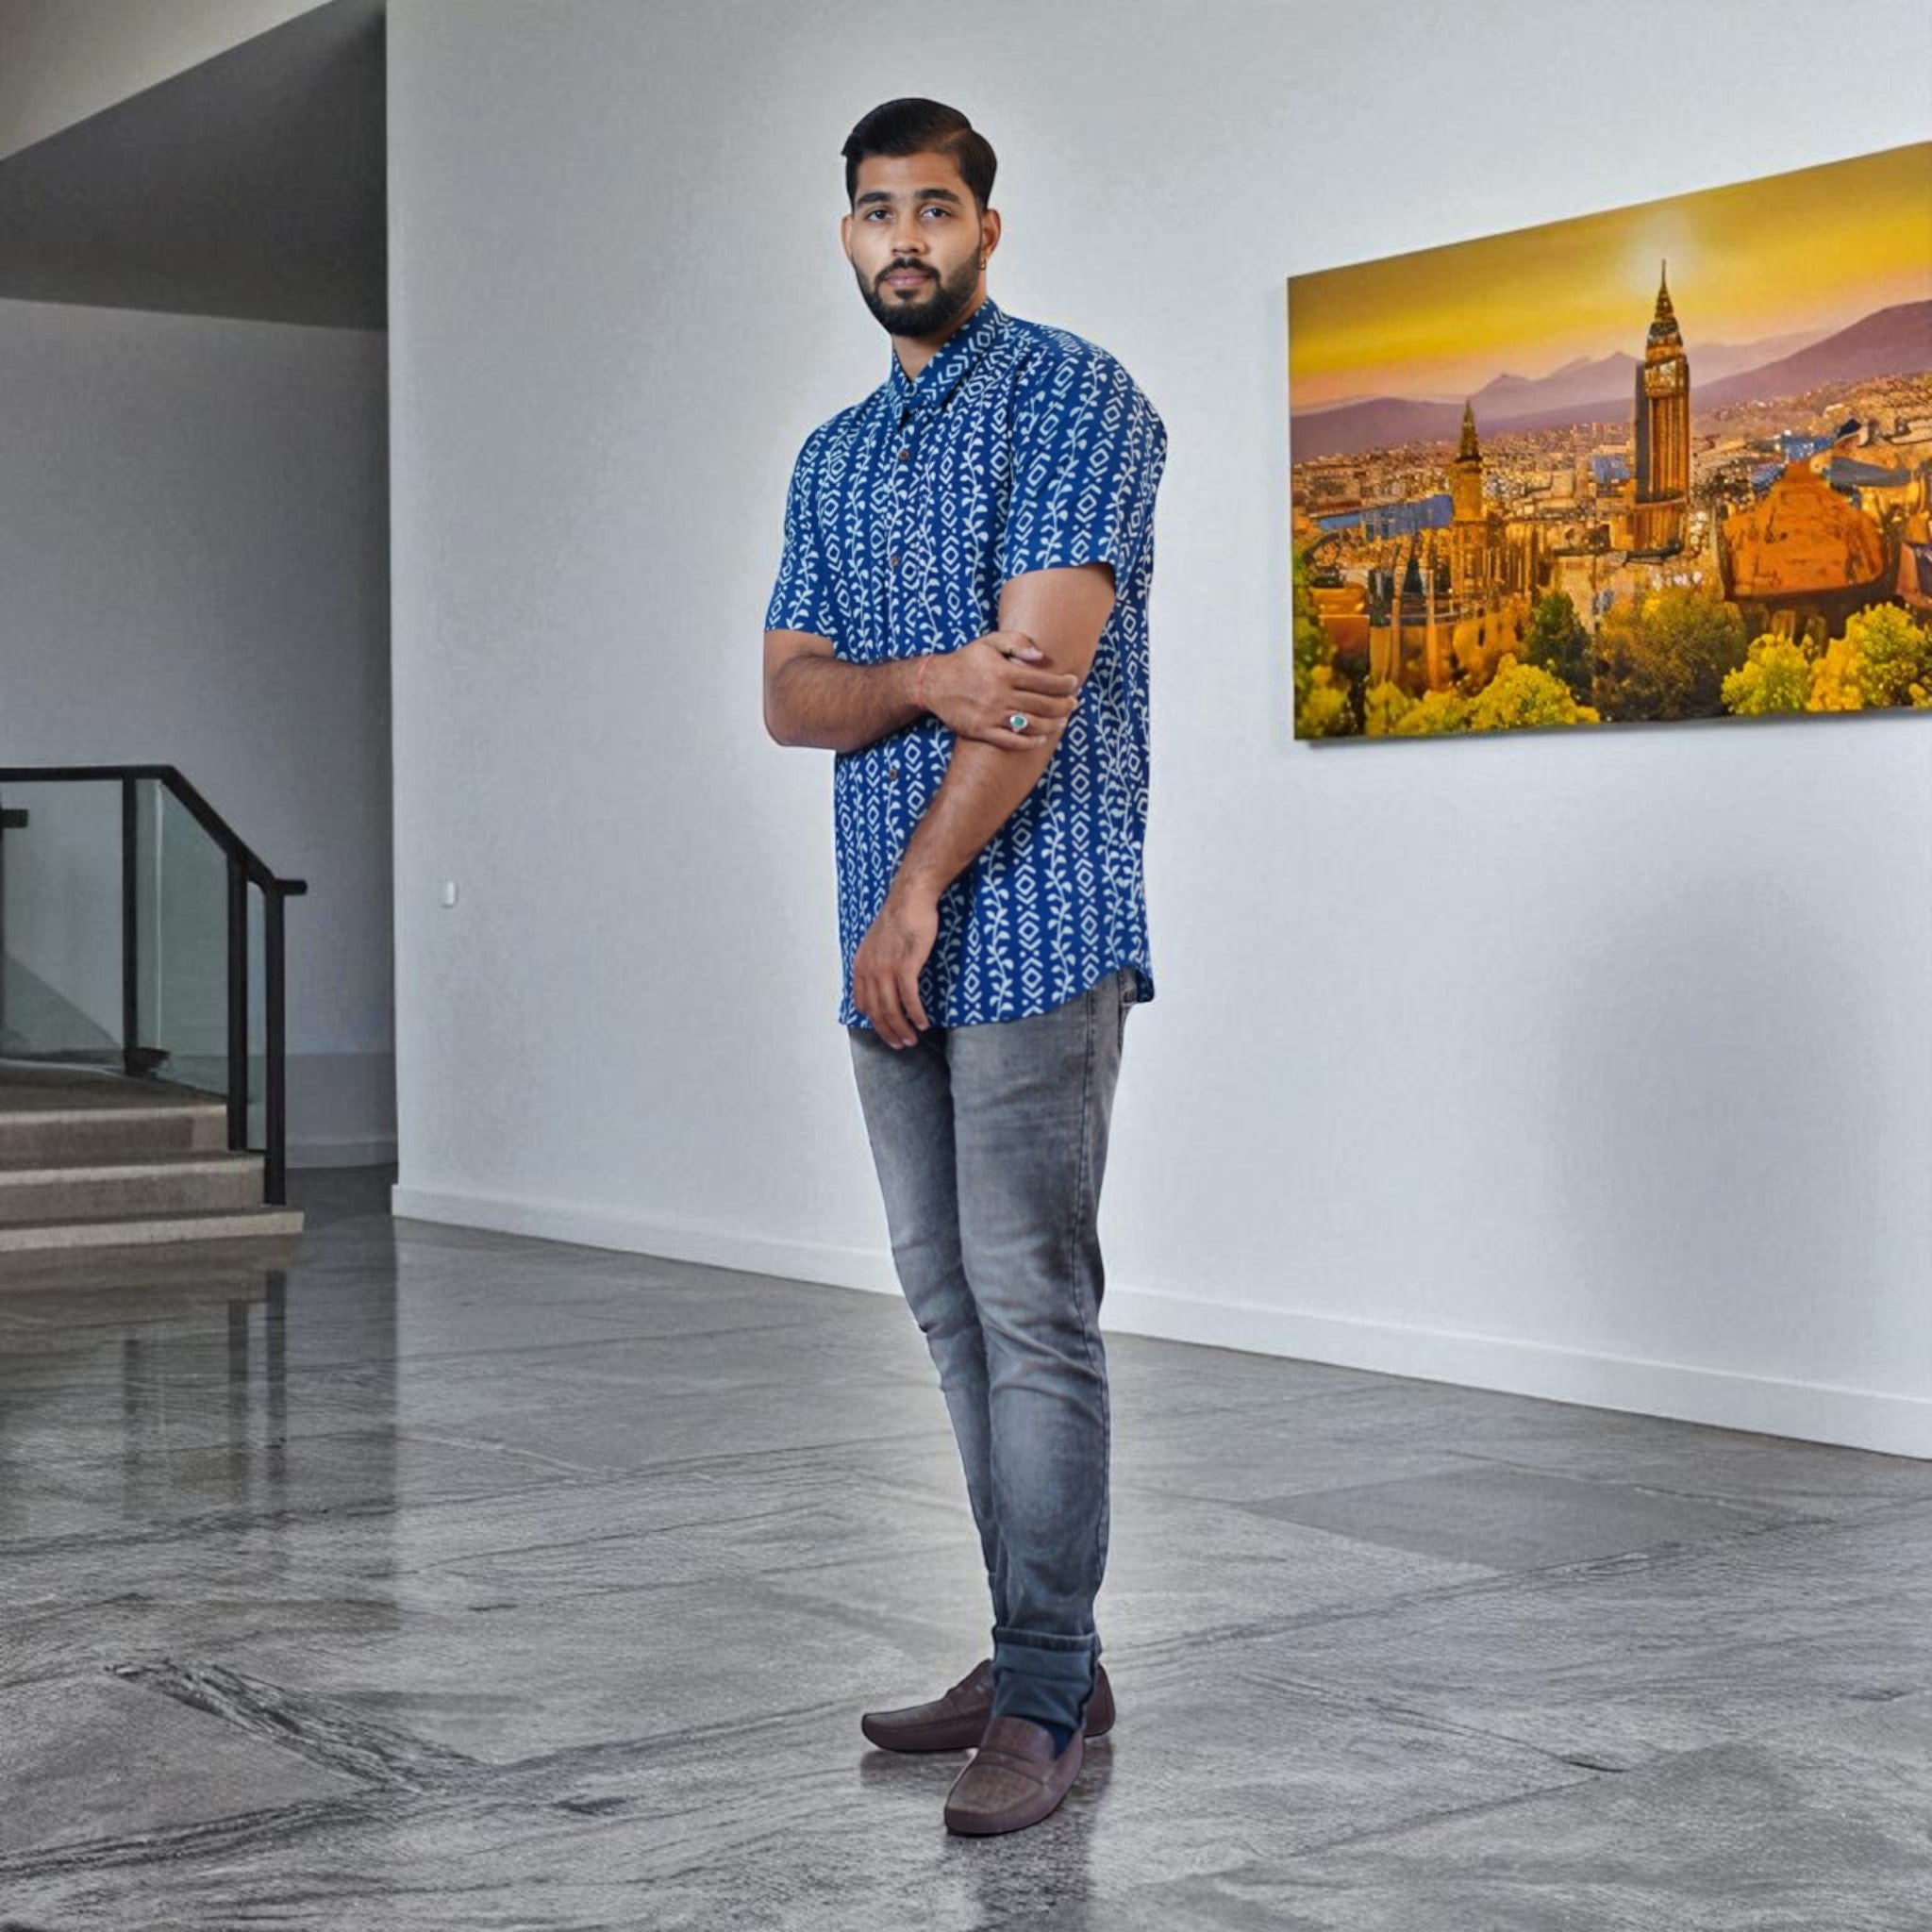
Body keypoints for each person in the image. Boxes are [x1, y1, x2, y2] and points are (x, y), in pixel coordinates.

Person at [761, 95, 1167, 1838]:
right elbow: (790, 697)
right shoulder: (832, 457)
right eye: (875, 211)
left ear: (988, 226)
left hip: (1032, 917)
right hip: (888, 938)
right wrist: (920, 680)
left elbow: (1041, 681)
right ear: (848, 237)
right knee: (947, 1318)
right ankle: (1041, 1665)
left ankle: (1045, 1698)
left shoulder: (1078, 394)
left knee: (1032, 1313)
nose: (904, 235)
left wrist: (921, 880)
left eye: (935, 205)